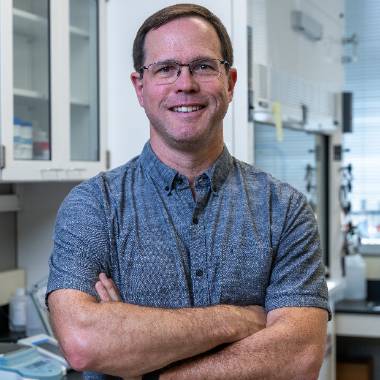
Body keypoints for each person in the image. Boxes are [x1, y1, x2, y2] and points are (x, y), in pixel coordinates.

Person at [47, 4, 330, 379]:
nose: (185, 84)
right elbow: (83, 342)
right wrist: (238, 319)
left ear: (229, 83)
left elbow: (300, 355)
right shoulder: (93, 206)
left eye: (202, 66)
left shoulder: (285, 210)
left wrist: (142, 356)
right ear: (140, 87)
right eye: (165, 68)